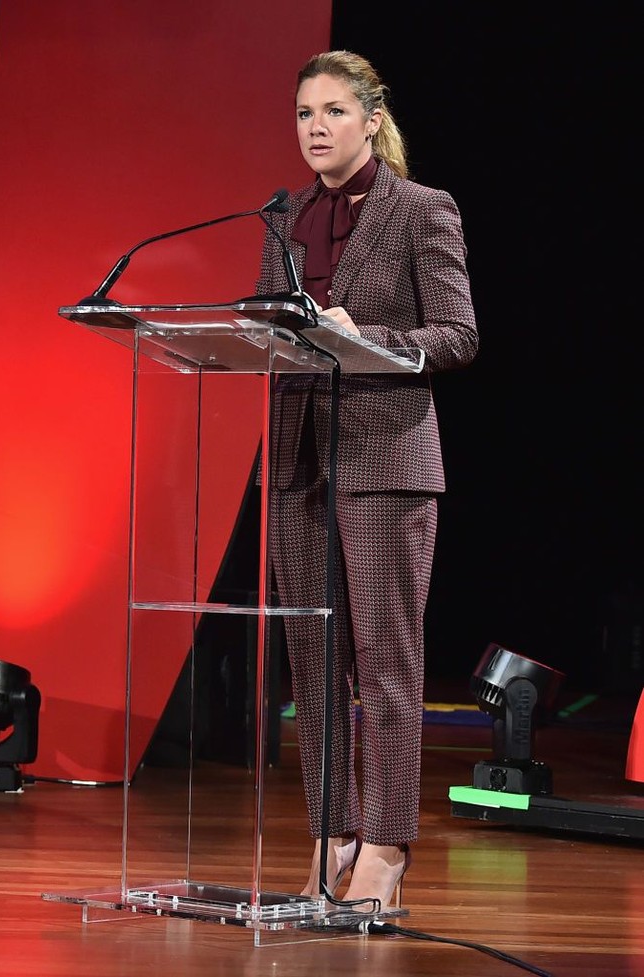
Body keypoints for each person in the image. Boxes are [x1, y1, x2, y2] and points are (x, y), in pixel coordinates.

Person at [255, 50, 478, 912]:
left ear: (372, 119)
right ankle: (329, 833)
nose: (315, 127)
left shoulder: (423, 210)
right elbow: (269, 323)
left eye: (333, 111)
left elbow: (457, 334)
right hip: (300, 458)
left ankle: (385, 845)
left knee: (385, 664)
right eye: (304, 112)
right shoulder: (283, 216)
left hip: (386, 456)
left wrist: (368, 334)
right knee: (312, 662)